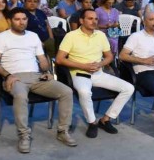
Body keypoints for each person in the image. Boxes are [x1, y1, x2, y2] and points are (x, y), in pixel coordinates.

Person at [0, 8, 77, 153]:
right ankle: (24, 135)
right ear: (10, 21)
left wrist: (47, 71)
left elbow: (42, 59)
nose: (21, 22)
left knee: (66, 91)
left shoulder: (33, 36)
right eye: (17, 19)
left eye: (24, 19)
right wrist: (7, 75)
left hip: (37, 77)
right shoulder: (2, 37)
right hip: (15, 77)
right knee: (21, 95)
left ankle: (63, 131)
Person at [56, 8, 134, 137]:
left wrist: (100, 64)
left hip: (98, 73)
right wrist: (83, 66)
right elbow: (59, 59)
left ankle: (106, 119)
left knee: (128, 88)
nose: (94, 21)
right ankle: (92, 122)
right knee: (85, 92)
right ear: (81, 20)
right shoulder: (71, 36)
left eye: (96, 19)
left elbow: (109, 56)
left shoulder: (100, 35)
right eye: (90, 18)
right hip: (80, 73)